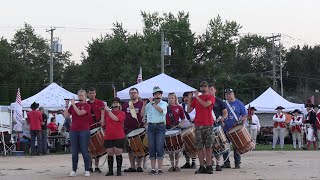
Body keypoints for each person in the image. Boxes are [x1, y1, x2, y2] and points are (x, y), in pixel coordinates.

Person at [187, 81, 215, 174]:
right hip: (198, 125)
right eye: (201, 86)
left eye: (205, 86)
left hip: (208, 124)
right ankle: (202, 166)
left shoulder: (210, 96)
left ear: (207, 88)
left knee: (208, 147)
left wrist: (197, 97)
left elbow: (206, 104)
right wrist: (190, 99)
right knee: (199, 147)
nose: (203, 88)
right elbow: (188, 110)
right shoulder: (196, 99)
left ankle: (209, 166)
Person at [64, 89, 91, 177]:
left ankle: (87, 170)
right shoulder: (74, 105)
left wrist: (72, 104)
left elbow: (80, 113)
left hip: (84, 130)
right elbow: (66, 116)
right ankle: (74, 170)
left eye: (82, 95)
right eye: (79, 96)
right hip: (74, 130)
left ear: (85, 96)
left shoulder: (87, 106)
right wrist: (66, 105)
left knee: (84, 150)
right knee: (74, 151)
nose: (80, 97)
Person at [142, 86, 168, 175]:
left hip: (160, 126)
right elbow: (144, 115)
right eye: (156, 94)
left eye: (159, 94)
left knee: (160, 146)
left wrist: (152, 104)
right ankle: (153, 169)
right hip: (151, 127)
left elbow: (161, 111)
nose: (157, 95)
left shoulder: (164, 103)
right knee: (152, 147)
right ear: (153, 95)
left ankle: (159, 168)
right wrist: (144, 105)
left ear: (161, 95)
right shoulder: (148, 105)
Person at [222, 88, 247, 169]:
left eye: (229, 93)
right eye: (226, 94)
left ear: (233, 94)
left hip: (235, 128)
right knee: (224, 146)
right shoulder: (223, 103)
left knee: (236, 146)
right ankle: (226, 163)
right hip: (225, 128)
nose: (228, 95)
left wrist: (243, 121)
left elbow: (244, 115)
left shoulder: (239, 103)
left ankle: (237, 163)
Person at [100, 97, 126, 176]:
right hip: (108, 135)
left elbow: (115, 119)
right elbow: (102, 124)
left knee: (118, 152)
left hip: (119, 135)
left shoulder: (122, 113)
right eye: (114, 102)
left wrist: (108, 110)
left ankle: (118, 170)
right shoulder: (108, 113)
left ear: (119, 104)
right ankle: (110, 170)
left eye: (116, 102)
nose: (115, 104)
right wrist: (102, 113)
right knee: (110, 152)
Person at [122, 88, 145, 173]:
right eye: (131, 93)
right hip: (128, 130)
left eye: (134, 93)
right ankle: (132, 166)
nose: (133, 94)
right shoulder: (125, 105)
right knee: (130, 149)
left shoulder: (142, 104)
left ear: (138, 94)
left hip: (139, 129)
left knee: (139, 148)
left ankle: (139, 166)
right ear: (129, 94)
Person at [208, 84, 228, 171]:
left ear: (215, 90)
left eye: (211, 89)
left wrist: (222, 118)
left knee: (217, 145)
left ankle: (218, 164)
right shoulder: (204, 101)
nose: (210, 91)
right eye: (208, 89)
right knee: (208, 145)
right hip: (207, 126)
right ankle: (209, 163)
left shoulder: (219, 101)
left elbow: (225, 112)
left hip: (217, 125)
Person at [166, 92, 185, 172]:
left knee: (177, 148)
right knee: (170, 149)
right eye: (169, 98)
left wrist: (181, 124)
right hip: (168, 129)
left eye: (172, 98)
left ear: (175, 99)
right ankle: (172, 165)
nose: (171, 99)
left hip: (176, 129)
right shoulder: (165, 107)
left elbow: (183, 118)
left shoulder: (179, 107)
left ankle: (176, 165)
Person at [87, 87, 105, 173]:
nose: (92, 95)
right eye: (90, 93)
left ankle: (97, 166)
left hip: (97, 127)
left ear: (95, 94)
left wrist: (102, 119)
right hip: (88, 128)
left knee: (97, 147)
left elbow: (103, 112)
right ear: (88, 94)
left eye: (93, 93)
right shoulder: (85, 104)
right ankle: (90, 167)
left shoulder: (100, 103)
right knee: (90, 149)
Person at [180, 91, 197, 169]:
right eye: (185, 97)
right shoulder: (181, 106)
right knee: (185, 147)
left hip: (193, 128)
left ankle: (193, 162)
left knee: (193, 145)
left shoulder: (194, 105)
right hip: (183, 128)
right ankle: (187, 162)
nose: (186, 99)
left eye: (187, 97)